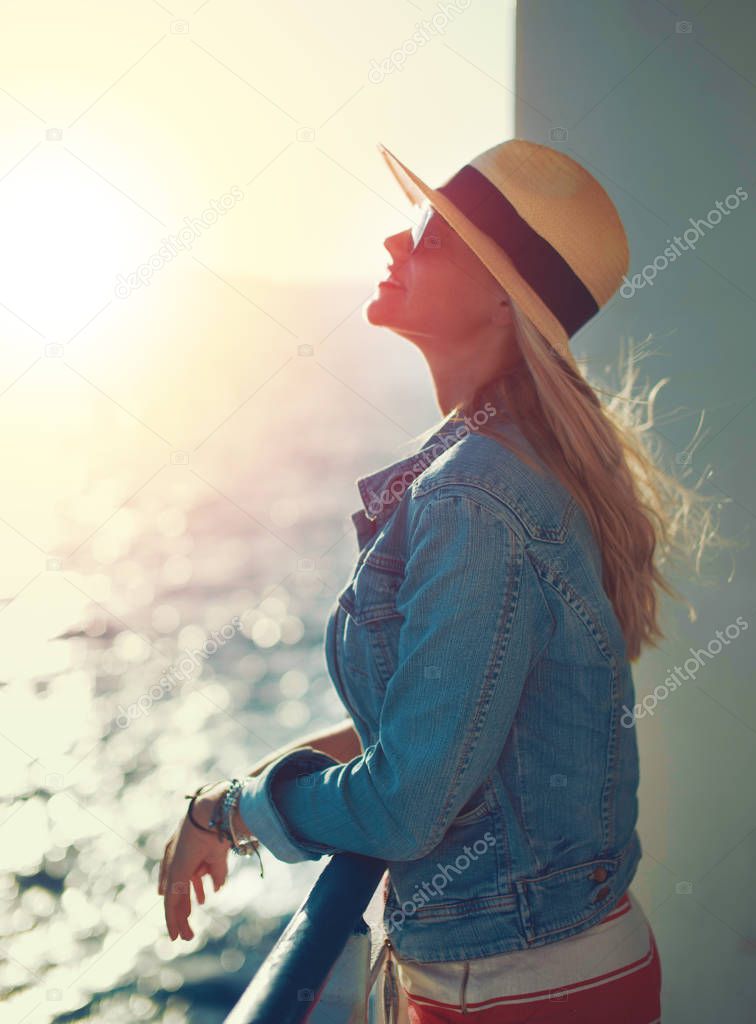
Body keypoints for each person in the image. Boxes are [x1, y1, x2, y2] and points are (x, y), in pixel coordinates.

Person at [159, 139, 721, 1022]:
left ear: (503, 296)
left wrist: (232, 811)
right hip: (567, 966)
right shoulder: (514, 465)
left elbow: (405, 809)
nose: (394, 242)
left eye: (430, 234)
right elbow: (449, 720)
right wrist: (244, 789)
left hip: (516, 993)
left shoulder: (476, 491)